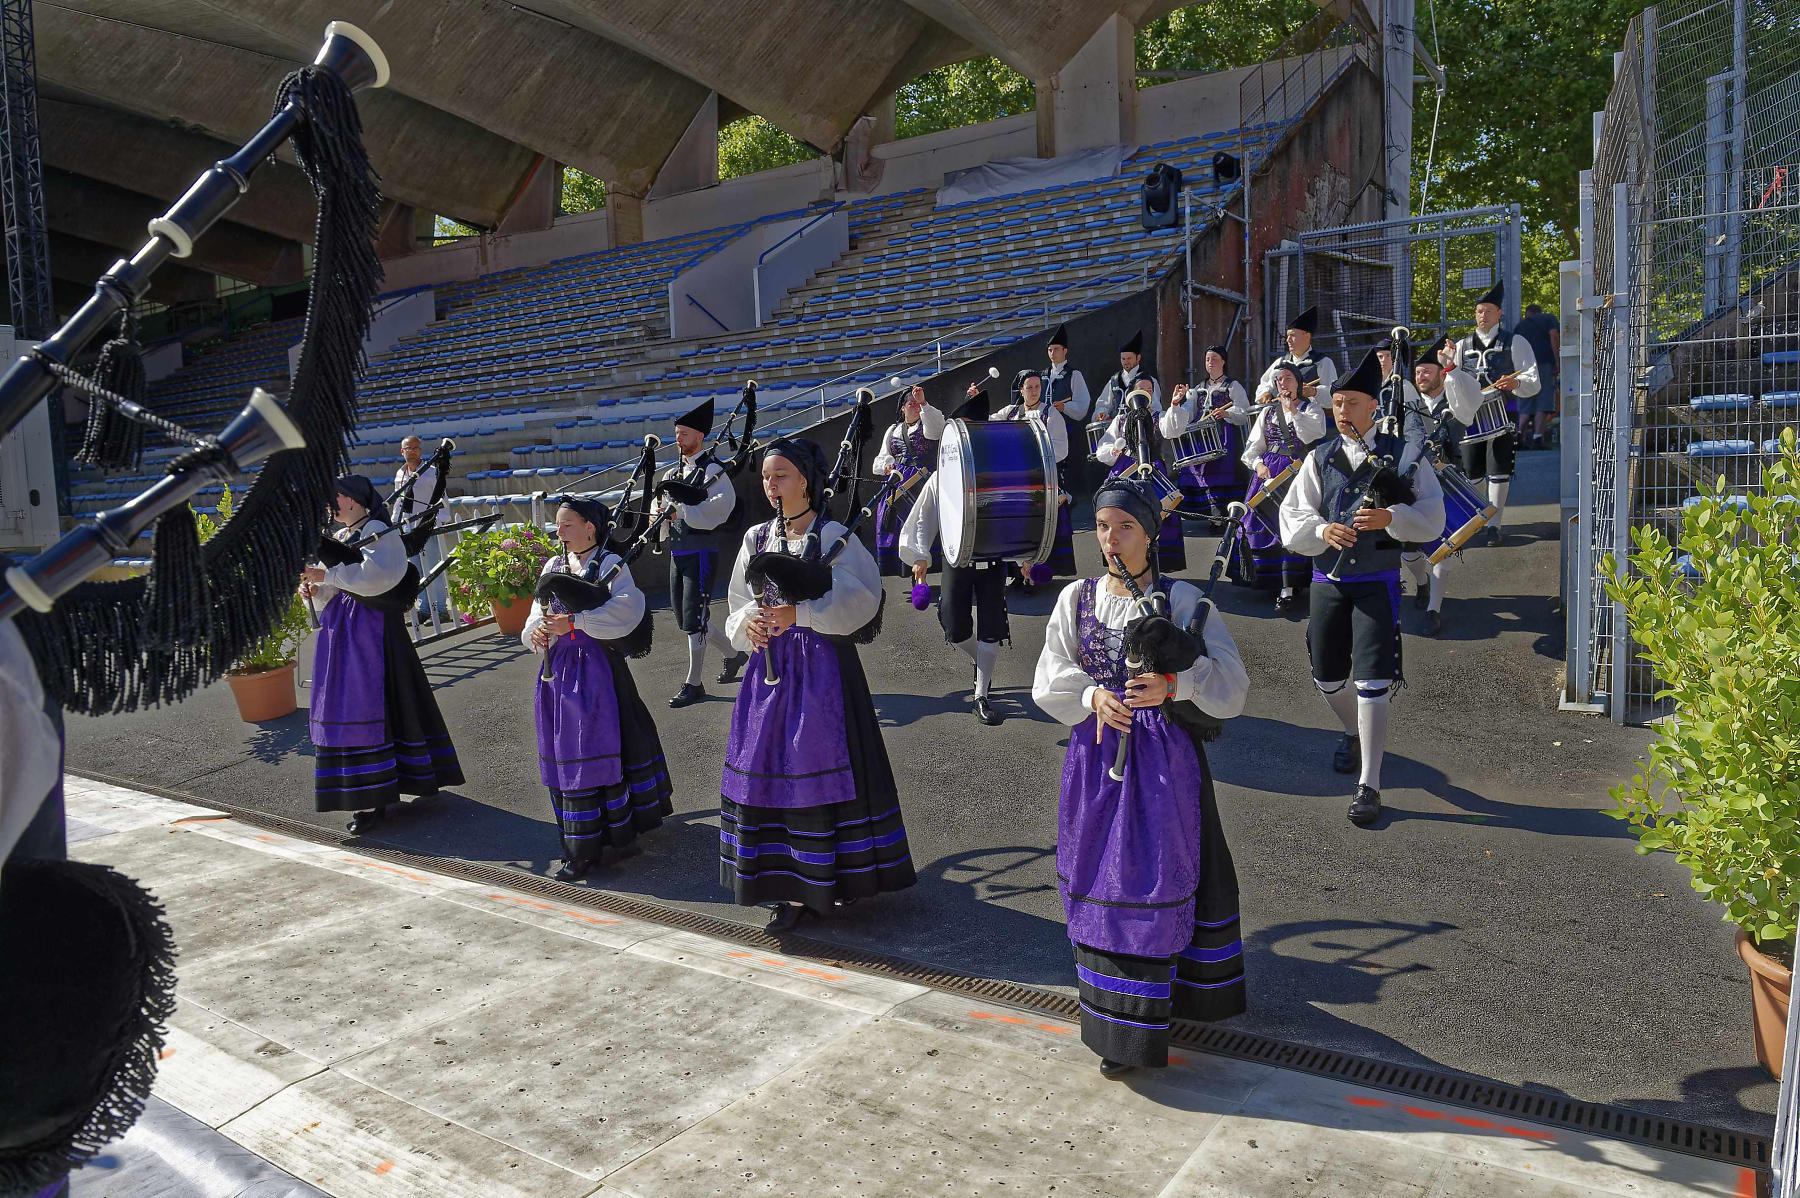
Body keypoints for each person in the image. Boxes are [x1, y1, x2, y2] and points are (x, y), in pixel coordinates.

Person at [1031, 474, 1250, 1078]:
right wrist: (1093, 695)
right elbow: (1047, 677)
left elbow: (1234, 687)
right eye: (1103, 526)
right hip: (1098, 763)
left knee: (1154, 878)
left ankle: (1158, 1012)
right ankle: (1118, 1026)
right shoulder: (1075, 599)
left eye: (1125, 526)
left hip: (1164, 770)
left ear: (1151, 534)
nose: (1111, 538)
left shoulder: (1181, 602)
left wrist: (1176, 684)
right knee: (1104, 880)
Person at [721, 437, 915, 932]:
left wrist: (801, 613)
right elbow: (738, 600)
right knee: (770, 770)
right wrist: (750, 626)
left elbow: (864, 601)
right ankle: (786, 886)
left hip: (823, 673)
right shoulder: (756, 538)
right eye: (766, 477)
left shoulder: (835, 538)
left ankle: (832, 880)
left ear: (805, 480)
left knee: (817, 764)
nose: (771, 486)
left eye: (780, 475)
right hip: (768, 676)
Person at [1278, 350, 1445, 827]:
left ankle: (1369, 784)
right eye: (1337, 404)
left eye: (1351, 403)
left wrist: (1392, 517)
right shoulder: (1319, 458)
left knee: (1372, 681)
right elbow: (1293, 517)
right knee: (1327, 678)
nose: (1342, 411)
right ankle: (1352, 731)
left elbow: (1433, 515)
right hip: (1327, 580)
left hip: (1376, 581)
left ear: (1373, 405)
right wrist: (1323, 531)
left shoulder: (1402, 456)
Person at [522, 496, 673, 881]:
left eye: (567, 525)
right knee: (568, 750)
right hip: (557, 673)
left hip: (598, 672)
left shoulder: (609, 565)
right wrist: (536, 632)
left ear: (590, 526)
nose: (559, 533)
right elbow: (535, 617)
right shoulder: (553, 565)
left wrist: (576, 622)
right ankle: (580, 840)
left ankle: (591, 845)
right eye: (558, 526)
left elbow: (629, 610)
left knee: (596, 746)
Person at [301, 475, 463, 834]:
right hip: (345, 635)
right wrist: (314, 588)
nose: (332, 506)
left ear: (357, 500)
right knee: (368, 708)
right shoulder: (344, 536)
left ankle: (373, 798)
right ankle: (371, 792)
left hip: (374, 634)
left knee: (378, 705)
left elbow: (377, 579)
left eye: (337, 498)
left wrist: (327, 573)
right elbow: (337, 587)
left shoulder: (378, 530)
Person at [901, 389, 1011, 726]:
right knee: (954, 624)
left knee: (991, 626)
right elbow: (923, 517)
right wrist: (919, 555)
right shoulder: (942, 474)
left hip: (992, 558)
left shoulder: (999, 470)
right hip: (956, 558)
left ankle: (981, 695)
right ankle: (982, 662)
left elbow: (1016, 514)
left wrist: (1024, 552)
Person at [659, 398, 748, 706]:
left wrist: (682, 513)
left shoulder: (713, 470)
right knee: (688, 617)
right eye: (676, 433)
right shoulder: (673, 473)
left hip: (701, 552)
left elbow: (722, 507)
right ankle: (735, 656)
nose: (678, 439)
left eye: (684, 433)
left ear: (700, 436)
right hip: (678, 552)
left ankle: (694, 682)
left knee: (694, 617)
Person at [1406, 338, 1484, 636]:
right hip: (1411, 486)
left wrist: (1452, 366)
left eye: (1427, 371)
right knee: (1408, 551)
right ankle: (1422, 583)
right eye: (1418, 372)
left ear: (1441, 374)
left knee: (1445, 547)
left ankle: (1433, 610)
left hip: (1447, 482)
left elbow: (1471, 400)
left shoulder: (1455, 404)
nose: (1421, 376)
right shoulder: (1407, 406)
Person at [1454, 281, 1540, 545]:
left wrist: (1516, 383)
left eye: (1488, 311)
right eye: (1479, 311)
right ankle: (1479, 517)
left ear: (1499, 314)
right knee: (1473, 472)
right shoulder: (1461, 345)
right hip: (1471, 416)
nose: (1483, 315)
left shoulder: (1516, 341)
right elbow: (1453, 381)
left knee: (1498, 470)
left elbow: (1533, 378)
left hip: (1503, 416)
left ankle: (1494, 524)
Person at [1238, 363, 1327, 608]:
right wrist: (1258, 465)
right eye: (1279, 379)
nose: (1282, 383)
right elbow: (1253, 447)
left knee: (1292, 527)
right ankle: (1269, 579)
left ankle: (1288, 589)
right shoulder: (1268, 412)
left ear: (1298, 383)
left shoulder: (1311, 410)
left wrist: (1292, 410)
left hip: (1299, 473)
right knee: (1265, 524)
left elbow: (1312, 435)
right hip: (1268, 475)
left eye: (1288, 378)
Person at [1093, 376, 1189, 572]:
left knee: (1158, 514)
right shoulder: (1121, 420)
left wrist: (1175, 404)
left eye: (1150, 389)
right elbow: (1102, 448)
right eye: (1142, 388)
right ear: (1131, 393)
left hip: (1152, 469)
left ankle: (1156, 567)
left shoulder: (1159, 416)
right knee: (1120, 515)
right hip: (1125, 469)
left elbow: (1173, 430)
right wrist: (1113, 450)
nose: (1147, 392)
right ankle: (1122, 563)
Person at [994, 369, 1076, 582]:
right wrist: (974, 399)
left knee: (1043, 523)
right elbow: (988, 424)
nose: (1033, 391)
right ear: (1021, 390)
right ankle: (1017, 572)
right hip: (1016, 479)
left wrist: (1034, 455)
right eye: (1029, 387)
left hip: (1043, 476)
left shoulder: (1051, 413)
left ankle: (1038, 571)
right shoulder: (1010, 412)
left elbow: (1061, 449)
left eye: (1037, 387)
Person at [872, 384, 946, 576]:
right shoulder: (893, 430)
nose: (915, 406)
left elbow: (938, 430)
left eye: (916, 404)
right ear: (902, 408)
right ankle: (906, 569)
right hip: (897, 485)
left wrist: (924, 402)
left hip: (921, 482)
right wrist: (886, 467)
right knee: (900, 526)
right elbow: (880, 459)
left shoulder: (926, 423)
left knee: (921, 522)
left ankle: (923, 567)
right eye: (911, 404)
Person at [1171, 345, 1251, 522]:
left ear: (1223, 361)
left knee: (1221, 471)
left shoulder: (1232, 386)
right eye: (1207, 359)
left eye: (1214, 359)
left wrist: (1227, 413)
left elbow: (1244, 412)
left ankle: (1222, 515)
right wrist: (1181, 403)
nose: (1210, 363)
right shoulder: (1198, 388)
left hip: (1224, 437)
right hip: (1202, 438)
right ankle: (1208, 514)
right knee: (1202, 471)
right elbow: (1189, 412)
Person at [392, 435, 450, 621]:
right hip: (408, 525)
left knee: (433, 566)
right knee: (415, 568)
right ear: (402, 451)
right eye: (408, 448)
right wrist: (395, 522)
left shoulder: (431, 472)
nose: (412, 451)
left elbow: (442, 495)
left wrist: (442, 519)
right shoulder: (400, 474)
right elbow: (399, 501)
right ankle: (424, 607)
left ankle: (440, 608)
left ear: (421, 451)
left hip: (427, 523)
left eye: (416, 448)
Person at [1254, 305, 1337, 404]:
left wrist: (1314, 392)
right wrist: (1265, 393)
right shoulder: (1280, 363)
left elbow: (1333, 396)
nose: (1288, 340)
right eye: (1287, 336)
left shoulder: (1323, 362)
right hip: (1283, 416)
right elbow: (1264, 385)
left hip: (1311, 416)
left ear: (1307, 336)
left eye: (1292, 335)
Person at [1373, 338, 1427, 473]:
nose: (1383, 360)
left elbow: (1414, 425)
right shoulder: (1370, 386)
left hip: (1397, 444)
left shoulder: (1405, 387)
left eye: (1388, 356)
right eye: (1380, 356)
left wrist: (1414, 456)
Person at [1515, 302, 1562, 449]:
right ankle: (1537, 438)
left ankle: (1518, 437)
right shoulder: (1548, 318)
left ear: (1527, 313)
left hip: (1523, 367)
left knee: (1525, 403)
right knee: (1543, 400)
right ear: (1540, 311)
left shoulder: (1520, 326)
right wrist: (1557, 361)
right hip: (1544, 363)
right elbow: (1554, 336)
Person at [1092, 330, 1161, 421]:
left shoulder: (1149, 381)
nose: (1126, 362)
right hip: (1117, 428)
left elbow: (1156, 408)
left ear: (1138, 358)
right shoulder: (1114, 381)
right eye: (1123, 359)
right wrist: (1101, 413)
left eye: (1129, 358)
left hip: (1140, 427)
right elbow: (1103, 405)